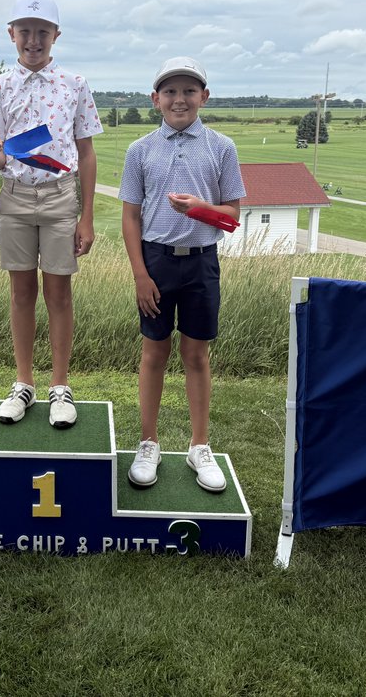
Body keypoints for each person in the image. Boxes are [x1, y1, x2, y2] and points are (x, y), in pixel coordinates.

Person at [119, 57, 245, 492]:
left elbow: (232, 217)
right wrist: (139, 274)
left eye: (189, 91)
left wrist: (200, 209)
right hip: (155, 262)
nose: (180, 99)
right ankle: (148, 442)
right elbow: (130, 217)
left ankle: (199, 446)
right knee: (154, 353)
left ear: (204, 97)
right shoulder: (140, 150)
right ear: (156, 100)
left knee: (196, 356)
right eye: (170, 91)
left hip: (202, 263)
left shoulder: (221, 147)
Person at [0, 0, 102, 428]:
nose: (33, 40)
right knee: (20, 292)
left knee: (59, 292)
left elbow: (86, 153)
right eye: (25, 31)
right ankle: (24, 383)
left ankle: (60, 386)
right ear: (12, 34)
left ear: (55, 36)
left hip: (59, 196)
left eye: (42, 32)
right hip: (14, 196)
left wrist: (85, 216)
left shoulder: (75, 83)